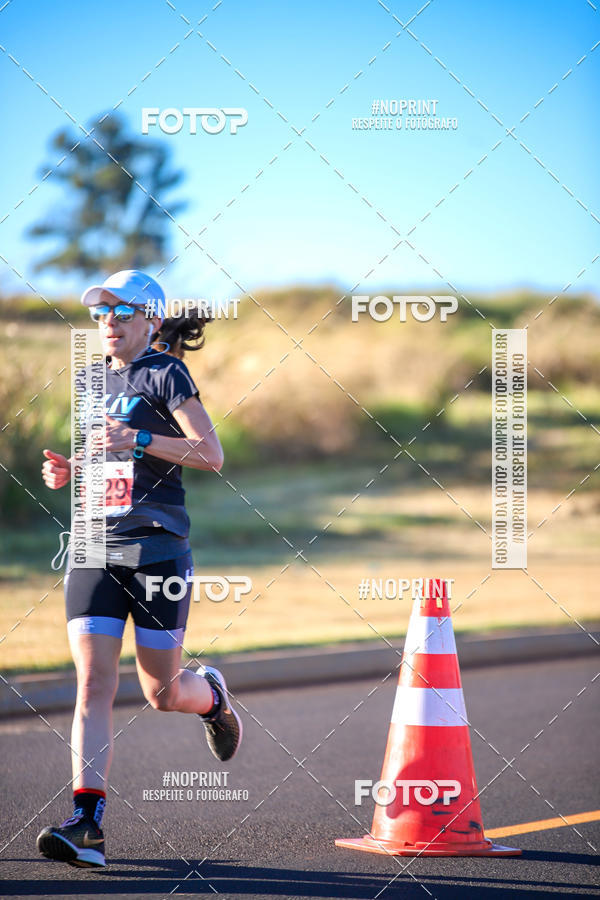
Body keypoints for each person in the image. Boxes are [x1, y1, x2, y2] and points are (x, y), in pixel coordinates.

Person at [36, 270, 242, 869]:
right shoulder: (88, 379)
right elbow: (107, 453)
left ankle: (211, 699)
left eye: (121, 313)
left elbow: (211, 455)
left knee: (161, 692)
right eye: (101, 314)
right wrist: (71, 470)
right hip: (98, 549)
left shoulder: (166, 372)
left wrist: (141, 438)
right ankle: (87, 822)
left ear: (149, 320)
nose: (108, 323)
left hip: (157, 552)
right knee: (95, 684)